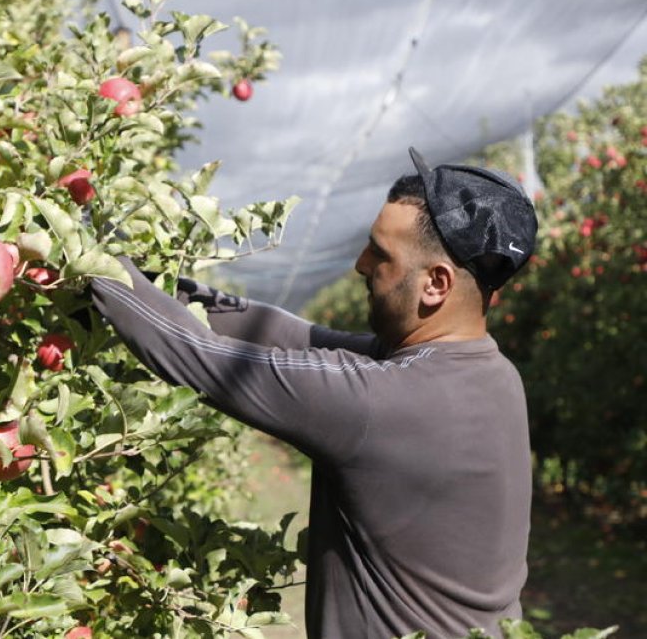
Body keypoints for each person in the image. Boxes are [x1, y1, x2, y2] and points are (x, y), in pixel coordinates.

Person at [89, 148, 539, 638]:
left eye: (380, 254)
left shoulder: (382, 404)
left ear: (435, 284)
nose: (360, 264)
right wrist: (155, 282)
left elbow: (199, 355)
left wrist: (85, 259)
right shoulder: (488, 373)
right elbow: (281, 333)